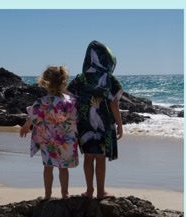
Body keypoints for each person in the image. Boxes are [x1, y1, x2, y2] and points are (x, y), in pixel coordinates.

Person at [68, 40, 123, 199]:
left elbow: (69, 98)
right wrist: (120, 125)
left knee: (88, 157)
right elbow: (114, 105)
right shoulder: (109, 79)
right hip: (104, 125)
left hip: (84, 124)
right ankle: (100, 192)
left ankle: (89, 190)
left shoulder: (81, 78)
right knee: (100, 159)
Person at [20, 66, 78, 199]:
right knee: (63, 168)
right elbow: (76, 119)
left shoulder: (42, 102)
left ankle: (47, 194)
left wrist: (26, 126)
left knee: (48, 167)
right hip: (65, 139)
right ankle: (65, 193)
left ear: (45, 82)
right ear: (63, 81)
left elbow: (33, 116)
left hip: (47, 139)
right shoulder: (71, 101)